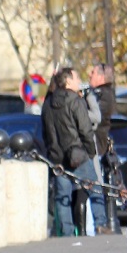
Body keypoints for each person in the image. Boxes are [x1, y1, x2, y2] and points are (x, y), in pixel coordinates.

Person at [41, 67, 97, 237]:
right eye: (76, 77)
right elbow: (85, 129)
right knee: (90, 185)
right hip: (78, 154)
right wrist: (91, 152)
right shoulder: (74, 100)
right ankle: (81, 225)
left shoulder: (48, 102)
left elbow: (44, 131)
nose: (79, 80)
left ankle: (67, 233)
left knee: (62, 197)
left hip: (57, 157)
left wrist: (52, 150)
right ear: (67, 81)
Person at [87, 63, 117, 234]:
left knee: (95, 181)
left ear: (101, 77)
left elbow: (97, 117)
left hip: (96, 144)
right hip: (95, 144)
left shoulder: (104, 95)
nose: (90, 75)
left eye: (93, 72)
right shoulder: (101, 94)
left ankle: (99, 223)